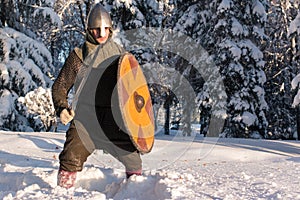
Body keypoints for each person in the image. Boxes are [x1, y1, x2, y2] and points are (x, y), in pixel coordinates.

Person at [52, 3, 142, 189]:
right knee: (70, 158)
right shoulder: (78, 56)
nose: (101, 34)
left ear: (111, 29)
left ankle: (136, 191)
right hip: (85, 120)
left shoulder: (121, 57)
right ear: (88, 30)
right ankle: (61, 193)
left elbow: (135, 90)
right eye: (96, 29)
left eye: (105, 29)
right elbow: (60, 86)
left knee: (133, 161)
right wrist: (61, 107)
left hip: (114, 121)